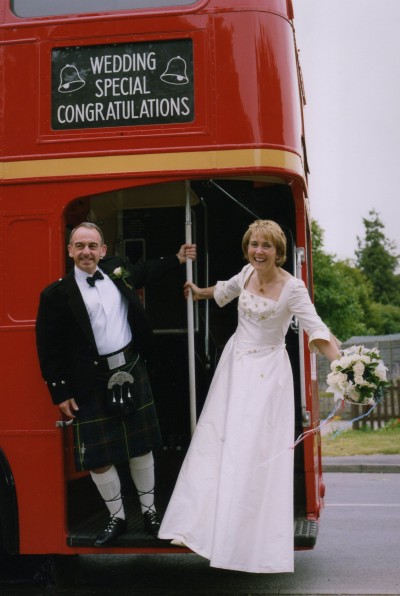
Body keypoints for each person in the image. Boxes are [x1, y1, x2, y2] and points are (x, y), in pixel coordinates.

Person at [158, 219, 340, 573]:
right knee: (216, 441)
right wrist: (197, 291)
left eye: (266, 245)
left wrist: (342, 366)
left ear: (278, 251)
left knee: (252, 449)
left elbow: (315, 328)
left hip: (267, 375)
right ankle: (199, 525)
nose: (259, 251)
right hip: (235, 366)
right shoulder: (246, 274)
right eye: (254, 244)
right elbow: (222, 291)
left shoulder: (293, 287)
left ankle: (244, 536)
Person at [36, 222, 196, 547]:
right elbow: (48, 347)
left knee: (142, 447)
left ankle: (149, 513)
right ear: (69, 250)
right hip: (90, 380)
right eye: (80, 246)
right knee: (98, 457)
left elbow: (145, 271)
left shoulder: (117, 271)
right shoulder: (55, 295)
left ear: (103, 250)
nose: (86, 252)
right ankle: (117, 517)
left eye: (92, 246)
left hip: (131, 367)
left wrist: (178, 259)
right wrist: (60, 391)